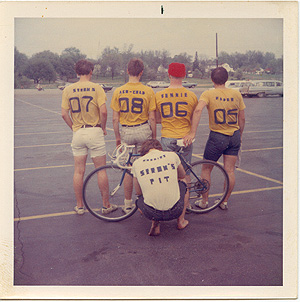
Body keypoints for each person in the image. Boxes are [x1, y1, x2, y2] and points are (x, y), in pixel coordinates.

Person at [184, 67, 246, 210]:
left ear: (212, 79)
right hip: (234, 135)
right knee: (229, 170)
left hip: (217, 136)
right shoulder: (236, 94)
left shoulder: (208, 94)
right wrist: (239, 134)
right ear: (226, 79)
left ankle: (204, 201)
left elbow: (198, 109)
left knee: (206, 169)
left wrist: (193, 132)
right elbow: (242, 118)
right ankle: (224, 201)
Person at [61, 59, 116, 215]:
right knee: (101, 170)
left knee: (78, 171)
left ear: (77, 72)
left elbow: (64, 114)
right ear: (91, 71)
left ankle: (79, 206)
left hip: (78, 132)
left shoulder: (68, 89)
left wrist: (74, 128)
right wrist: (103, 128)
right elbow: (104, 112)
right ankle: (106, 205)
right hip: (94, 131)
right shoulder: (97, 88)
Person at [111, 58, 156, 213]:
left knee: (129, 169)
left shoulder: (118, 91)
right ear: (141, 72)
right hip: (143, 129)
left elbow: (115, 118)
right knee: (146, 167)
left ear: (128, 71)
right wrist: (153, 137)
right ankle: (146, 201)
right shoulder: (148, 90)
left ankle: (128, 203)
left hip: (127, 131)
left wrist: (117, 137)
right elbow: (152, 117)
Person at [155, 62, 198, 209]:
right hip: (185, 137)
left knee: (169, 173)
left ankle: (172, 204)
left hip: (167, 136)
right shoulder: (191, 95)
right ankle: (187, 205)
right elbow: (193, 117)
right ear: (184, 75)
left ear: (168, 75)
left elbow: (157, 118)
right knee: (185, 173)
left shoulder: (159, 95)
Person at [131, 139, 189, 236]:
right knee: (183, 181)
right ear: (160, 148)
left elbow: (138, 192)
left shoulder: (136, 163)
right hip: (175, 210)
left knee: (140, 199)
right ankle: (181, 221)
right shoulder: (172, 155)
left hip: (151, 213)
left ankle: (156, 223)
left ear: (143, 152)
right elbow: (182, 175)